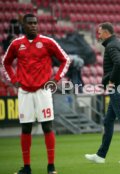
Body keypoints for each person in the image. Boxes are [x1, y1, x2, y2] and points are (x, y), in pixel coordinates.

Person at [2, 14, 71, 174]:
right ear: (24, 26)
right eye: (30, 24)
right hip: (24, 92)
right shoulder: (16, 44)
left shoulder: (48, 42)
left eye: (35, 23)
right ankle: (26, 167)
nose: (33, 26)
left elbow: (65, 60)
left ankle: (51, 167)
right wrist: (13, 79)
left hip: (43, 91)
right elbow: (5, 62)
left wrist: (56, 79)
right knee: (26, 128)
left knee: (47, 126)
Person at [85, 22, 120, 163]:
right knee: (108, 121)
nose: (97, 35)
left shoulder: (111, 46)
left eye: (99, 32)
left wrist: (112, 81)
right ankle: (100, 155)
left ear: (106, 33)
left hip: (117, 89)